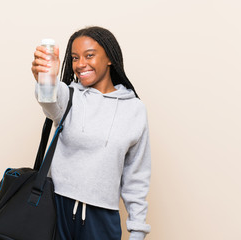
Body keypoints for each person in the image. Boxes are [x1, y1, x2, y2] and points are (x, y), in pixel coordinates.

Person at [31, 26, 151, 240]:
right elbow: (49, 101)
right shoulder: (70, 96)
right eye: (75, 58)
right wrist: (45, 79)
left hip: (102, 218)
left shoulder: (135, 110)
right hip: (56, 209)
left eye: (89, 56)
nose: (80, 64)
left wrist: (138, 229)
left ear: (109, 58)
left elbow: (137, 176)